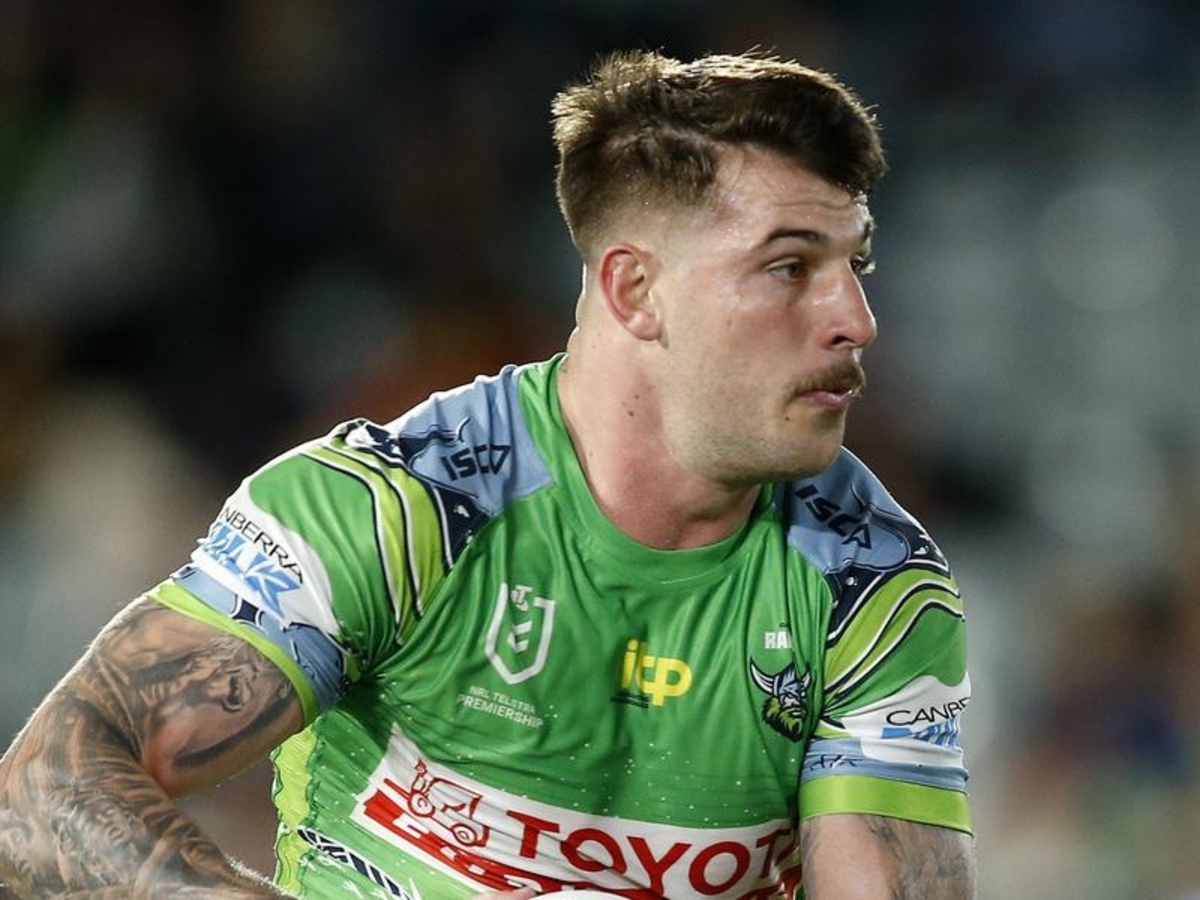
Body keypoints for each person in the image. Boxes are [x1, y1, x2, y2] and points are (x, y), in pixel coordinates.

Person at [0, 49, 976, 899]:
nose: (855, 320)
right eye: (790, 267)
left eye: (856, 264)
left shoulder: (873, 590)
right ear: (636, 289)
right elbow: (41, 799)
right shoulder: (399, 509)